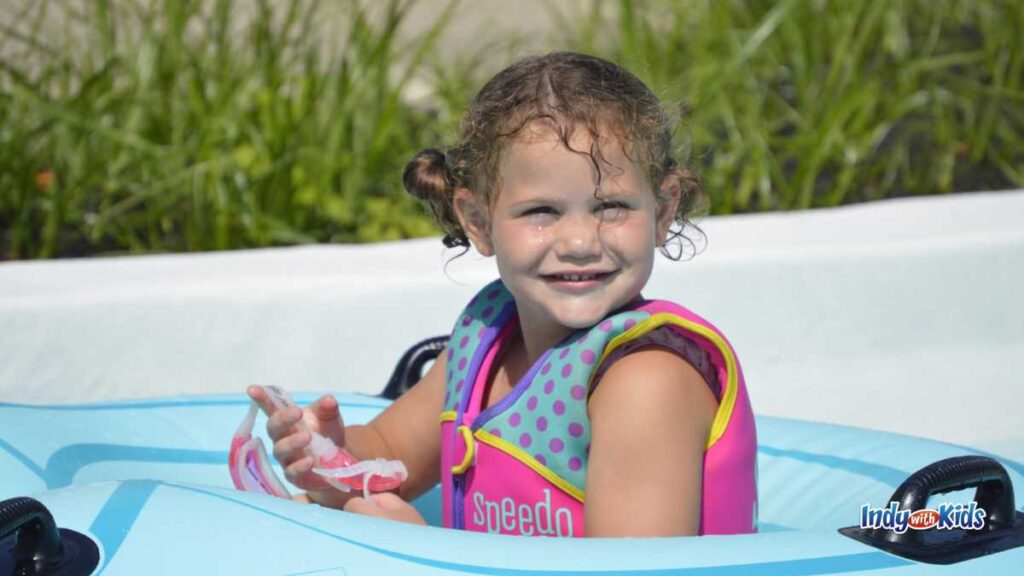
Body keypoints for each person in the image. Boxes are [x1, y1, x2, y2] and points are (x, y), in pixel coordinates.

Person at [249, 51, 756, 538]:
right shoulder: (485, 338)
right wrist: (329, 455)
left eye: (611, 207)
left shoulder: (645, 380)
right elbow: (388, 453)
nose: (580, 242)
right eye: (541, 211)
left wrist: (422, 555)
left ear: (664, 211)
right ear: (478, 222)